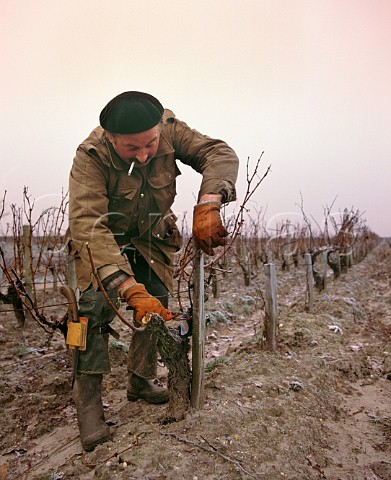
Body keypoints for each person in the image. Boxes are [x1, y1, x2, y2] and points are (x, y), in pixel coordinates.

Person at [67, 91, 239, 451]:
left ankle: (141, 380)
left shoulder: (169, 129)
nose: (144, 154)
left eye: (150, 144)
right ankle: (87, 402)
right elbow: (89, 225)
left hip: (152, 233)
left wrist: (210, 201)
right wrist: (128, 287)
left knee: (157, 305)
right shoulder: (90, 157)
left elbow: (219, 154)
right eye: (132, 149)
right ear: (111, 139)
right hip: (101, 237)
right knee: (87, 315)